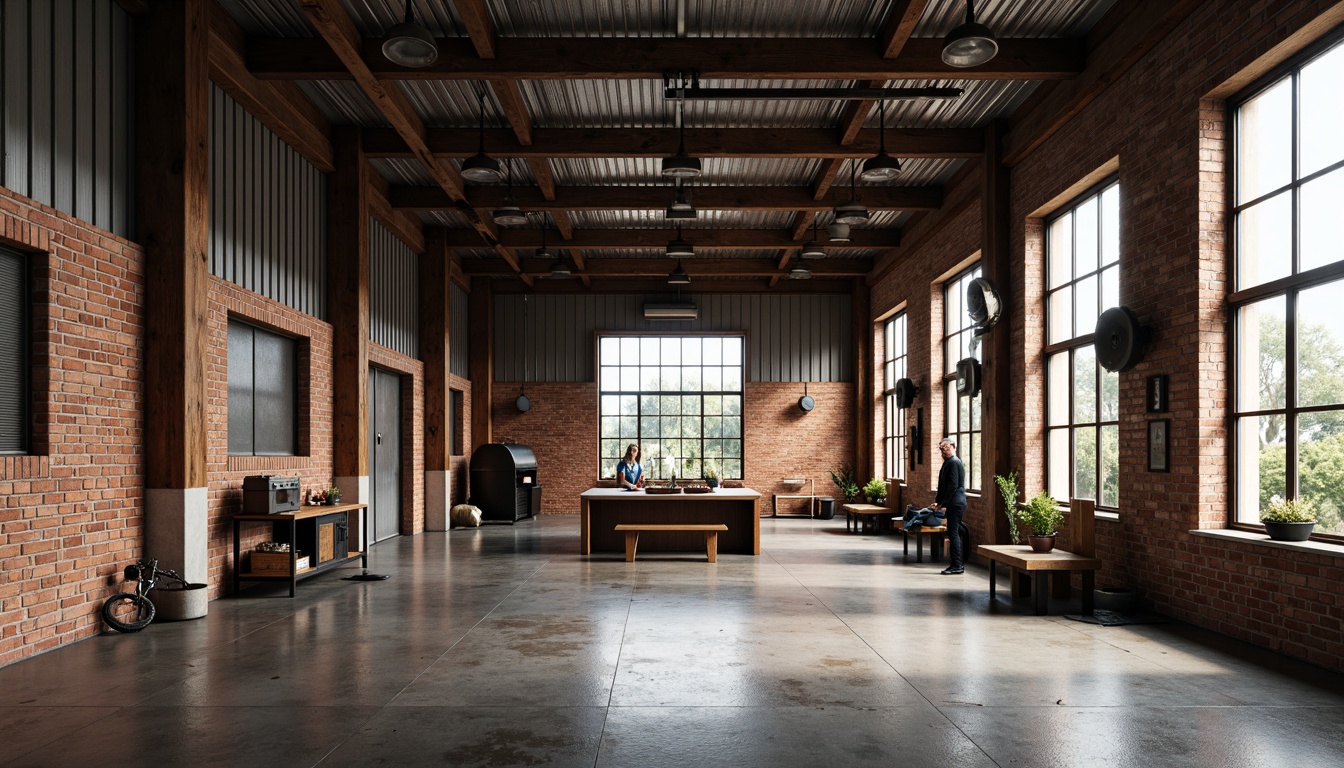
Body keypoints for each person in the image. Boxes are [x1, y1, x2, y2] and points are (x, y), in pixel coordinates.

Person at [931, 437, 967, 574]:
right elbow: (944, 486)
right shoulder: (948, 462)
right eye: (941, 448)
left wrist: (942, 503)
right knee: (954, 532)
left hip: (956, 503)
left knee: (953, 533)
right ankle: (957, 564)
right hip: (954, 502)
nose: (943, 450)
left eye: (946, 447)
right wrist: (939, 502)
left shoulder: (954, 462)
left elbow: (953, 485)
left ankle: (957, 565)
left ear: (953, 447)